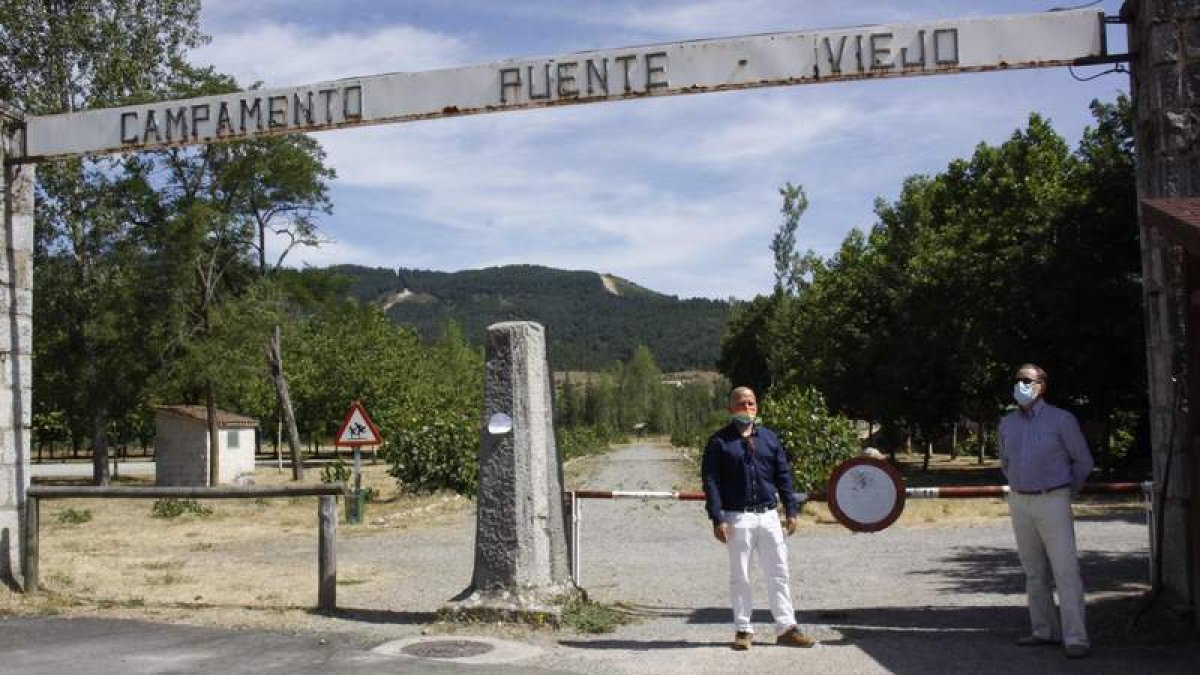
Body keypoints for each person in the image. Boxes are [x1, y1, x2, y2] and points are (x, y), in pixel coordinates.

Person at [701, 386, 814, 650]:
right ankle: (743, 630)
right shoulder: (718, 443)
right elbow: (711, 482)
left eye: (751, 403)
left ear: (757, 406)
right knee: (741, 575)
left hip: (769, 516)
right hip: (737, 517)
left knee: (779, 572)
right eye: (740, 404)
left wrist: (791, 509)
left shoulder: (770, 439)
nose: (746, 408)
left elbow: (783, 476)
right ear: (730, 409)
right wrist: (717, 518)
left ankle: (787, 627)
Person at [998, 363, 1094, 659]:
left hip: (1053, 499)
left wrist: (1065, 491)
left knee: (1065, 571)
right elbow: (1005, 462)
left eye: (1026, 380)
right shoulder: (1007, 424)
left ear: (1042, 385)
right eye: (1017, 380)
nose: (1020, 386)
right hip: (1019, 501)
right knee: (1033, 572)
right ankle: (1044, 631)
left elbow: (1083, 461)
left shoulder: (1061, 420)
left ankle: (1076, 638)